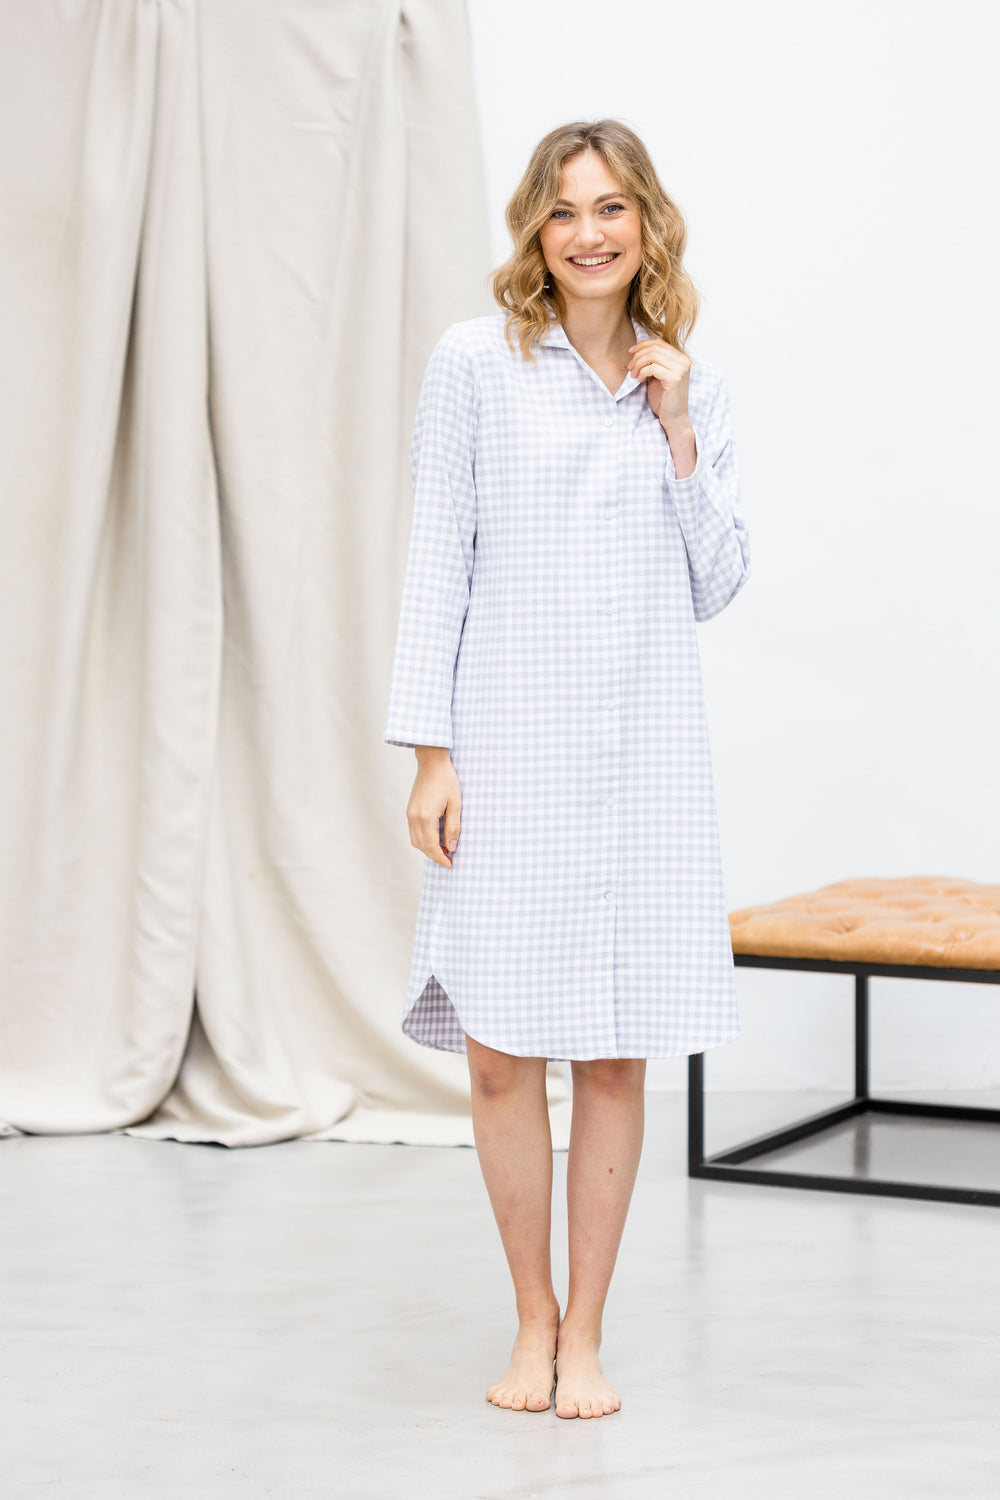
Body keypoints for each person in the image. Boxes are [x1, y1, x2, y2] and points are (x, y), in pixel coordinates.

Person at [382, 119, 750, 1420]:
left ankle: (585, 1330)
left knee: (611, 1054)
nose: (588, 233)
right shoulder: (475, 364)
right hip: (506, 750)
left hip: (642, 762)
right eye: (563, 211)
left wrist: (677, 423)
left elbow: (715, 581)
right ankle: (529, 1317)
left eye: (611, 209)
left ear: (648, 223)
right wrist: (431, 755)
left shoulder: (688, 383)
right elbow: (439, 557)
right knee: (497, 1053)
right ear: (534, 231)